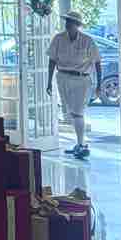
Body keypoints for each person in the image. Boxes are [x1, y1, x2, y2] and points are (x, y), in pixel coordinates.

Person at [47, 10, 103, 158]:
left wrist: (99, 84)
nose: (67, 24)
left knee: (78, 112)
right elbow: (52, 60)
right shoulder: (58, 39)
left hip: (81, 79)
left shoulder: (87, 40)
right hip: (63, 77)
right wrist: (49, 81)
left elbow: (97, 62)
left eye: (70, 21)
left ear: (77, 24)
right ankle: (79, 144)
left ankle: (81, 144)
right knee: (69, 113)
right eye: (66, 21)